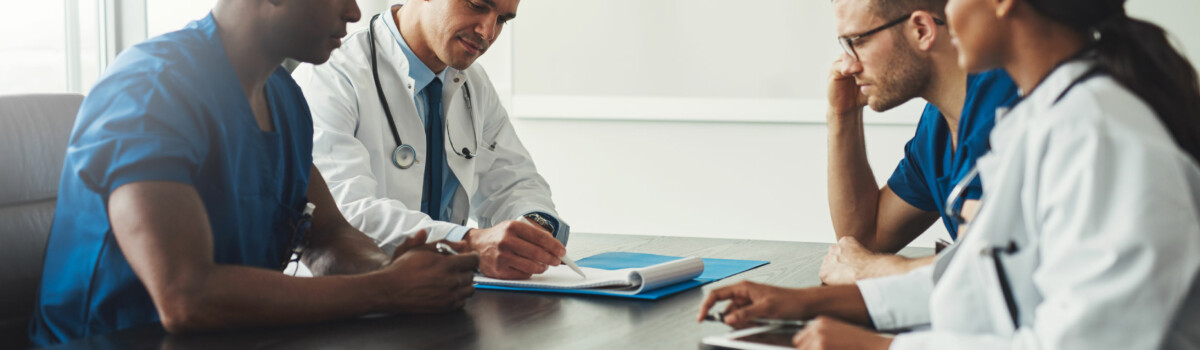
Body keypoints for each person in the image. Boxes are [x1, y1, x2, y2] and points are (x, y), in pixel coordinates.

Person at [700, 0, 1200, 348]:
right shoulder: (1037, 121)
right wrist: (801, 302)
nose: (947, 16)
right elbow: (984, 283)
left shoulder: (1098, 134)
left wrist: (877, 349)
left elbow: (1082, 342)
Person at [29, 0, 479, 346]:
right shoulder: (151, 88)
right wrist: (385, 291)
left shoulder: (284, 99)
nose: (354, 11)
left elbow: (327, 236)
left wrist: (395, 267)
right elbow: (186, 296)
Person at [293, 0, 568, 280]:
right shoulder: (331, 74)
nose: (488, 32)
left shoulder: (475, 84)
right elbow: (343, 214)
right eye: (477, 5)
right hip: (351, 298)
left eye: (502, 20)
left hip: (440, 293)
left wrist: (534, 225)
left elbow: (515, 181)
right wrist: (465, 243)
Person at [820, 0, 1018, 285]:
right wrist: (843, 114)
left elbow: (989, 267)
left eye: (857, 42)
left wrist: (872, 269)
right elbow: (865, 239)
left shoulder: (1008, 106)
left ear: (922, 30)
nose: (848, 66)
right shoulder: (936, 126)